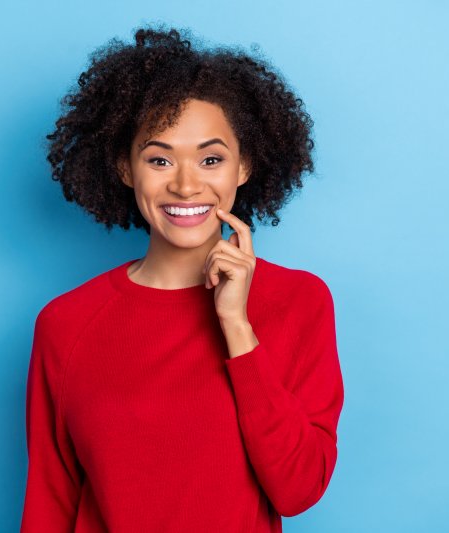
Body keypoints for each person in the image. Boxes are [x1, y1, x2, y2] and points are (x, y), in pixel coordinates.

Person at [20, 24, 344, 533]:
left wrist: (237, 326)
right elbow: (49, 501)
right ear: (127, 169)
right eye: (160, 158)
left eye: (211, 159)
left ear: (244, 167)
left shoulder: (298, 302)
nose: (187, 184)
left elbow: (298, 488)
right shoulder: (66, 323)